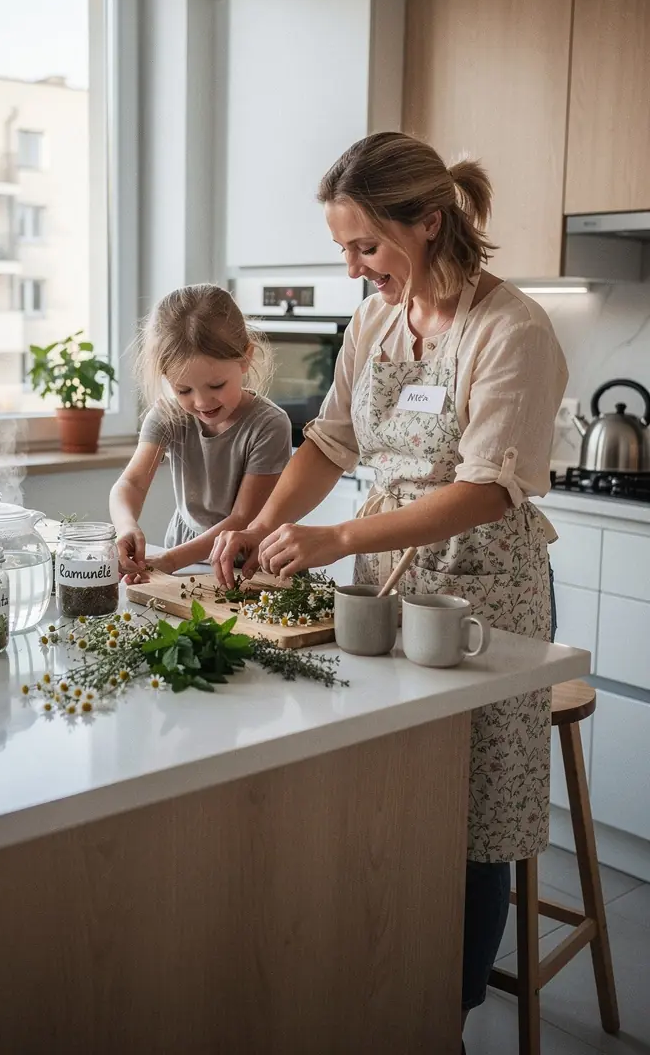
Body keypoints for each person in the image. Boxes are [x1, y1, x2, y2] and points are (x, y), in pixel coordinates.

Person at [211, 132, 568, 1033]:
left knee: (471, 814)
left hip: (483, 592)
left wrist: (336, 536)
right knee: (384, 783)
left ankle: (446, 1016)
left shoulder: (512, 330)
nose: (352, 268)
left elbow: (484, 490)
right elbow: (330, 443)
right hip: (377, 578)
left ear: (429, 222)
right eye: (343, 248)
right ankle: (380, 986)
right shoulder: (376, 321)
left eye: (365, 245)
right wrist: (258, 526)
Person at [110, 283, 292, 581]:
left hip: (250, 563)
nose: (202, 402)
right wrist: (126, 526)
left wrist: (170, 559)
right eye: (183, 390)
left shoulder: (268, 425)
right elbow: (131, 483)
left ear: (245, 358)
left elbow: (243, 518)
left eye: (216, 385)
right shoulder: (168, 415)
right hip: (185, 553)